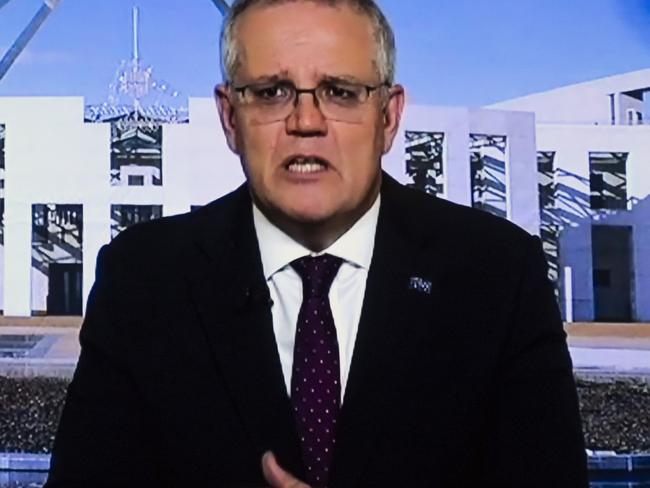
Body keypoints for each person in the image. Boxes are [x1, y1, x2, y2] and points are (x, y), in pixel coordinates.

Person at [45, 0, 588, 486]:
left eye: (340, 92)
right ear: (231, 117)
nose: (306, 122)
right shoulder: (143, 280)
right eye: (271, 92)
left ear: (389, 116)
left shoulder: (496, 276)